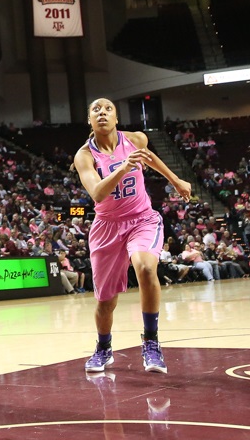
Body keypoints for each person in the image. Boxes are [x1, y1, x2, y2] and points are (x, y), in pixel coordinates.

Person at [72, 97, 192, 375]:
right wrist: (123, 168)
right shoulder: (84, 155)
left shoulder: (136, 139)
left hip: (142, 220)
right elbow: (98, 194)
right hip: (107, 226)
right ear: (89, 120)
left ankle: (151, 342)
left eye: (108, 109)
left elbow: (151, 158)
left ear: (116, 119)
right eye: (95, 110)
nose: (102, 113)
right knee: (105, 301)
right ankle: (103, 348)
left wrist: (175, 180)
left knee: (146, 268)